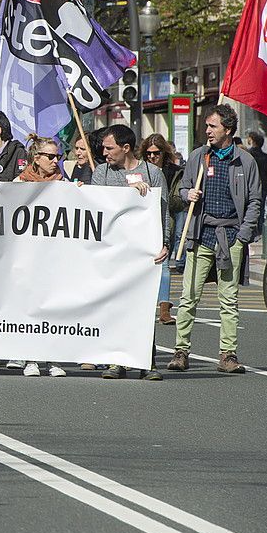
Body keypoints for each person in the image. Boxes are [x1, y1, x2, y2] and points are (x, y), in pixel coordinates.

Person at [168, 106, 263, 375]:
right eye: (207, 126)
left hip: (230, 236)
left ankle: (228, 354)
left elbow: (255, 199)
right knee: (189, 297)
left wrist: (243, 235)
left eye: (213, 126)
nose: (207, 131)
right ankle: (181, 350)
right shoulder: (199, 156)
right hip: (201, 234)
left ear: (228, 130)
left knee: (228, 300)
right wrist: (189, 195)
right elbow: (183, 188)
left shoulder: (245, 162)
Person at [90, 124, 168, 380]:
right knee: (116, 306)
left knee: (143, 306)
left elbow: (163, 211)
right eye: (103, 147)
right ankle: (117, 361)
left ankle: (148, 362)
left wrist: (165, 243)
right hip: (114, 249)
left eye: (109, 148)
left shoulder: (153, 173)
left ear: (126, 148)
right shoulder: (101, 172)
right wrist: (129, 195)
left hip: (144, 251)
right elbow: (97, 203)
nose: (104, 152)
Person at [12, 135, 68, 377]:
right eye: (51, 156)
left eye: (58, 156)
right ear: (36, 158)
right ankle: (30, 358)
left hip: (53, 256)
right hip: (27, 256)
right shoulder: (19, 183)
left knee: (52, 307)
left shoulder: (64, 185)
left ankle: (52, 358)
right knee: (29, 307)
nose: (56, 161)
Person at [142, 134, 184, 323]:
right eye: (148, 153)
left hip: (165, 221)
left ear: (163, 152)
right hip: (142, 223)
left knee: (164, 265)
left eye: (156, 153)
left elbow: (177, 202)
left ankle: (164, 309)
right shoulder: (140, 169)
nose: (152, 157)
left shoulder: (174, 171)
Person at [246, 130, 267, 214]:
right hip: (263, 187)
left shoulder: (247, 155)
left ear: (252, 140)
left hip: (249, 187)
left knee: (250, 210)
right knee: (261, 210)